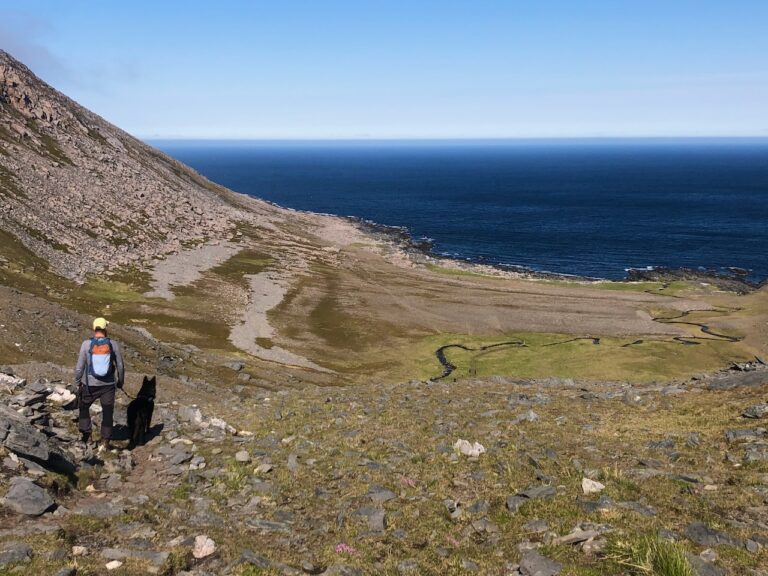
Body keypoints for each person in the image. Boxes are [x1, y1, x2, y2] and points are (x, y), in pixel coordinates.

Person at [74, 317, 125, 449]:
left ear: (94, 328)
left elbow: (80, 366)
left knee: (84, 407)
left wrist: (78, 381)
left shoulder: (86, 344)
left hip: (89, 385)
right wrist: (120, 381)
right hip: (108, 386)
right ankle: (105, 441)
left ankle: (87, 435)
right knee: (108, 411)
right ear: (105, 329)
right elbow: (120, 365)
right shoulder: (113, 344)